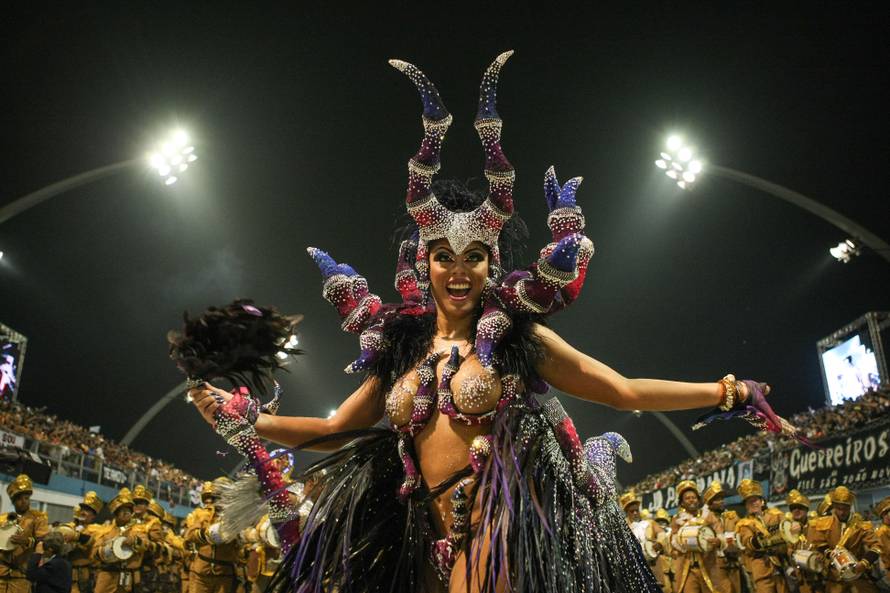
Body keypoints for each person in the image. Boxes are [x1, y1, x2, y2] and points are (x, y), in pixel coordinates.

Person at [182, 52, 800, 593]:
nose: (458, 271)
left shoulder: (516, 339)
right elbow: (332, 429)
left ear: (491, 262)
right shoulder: (402, 349)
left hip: (505, 534)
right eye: (443, 257)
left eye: (473, 258)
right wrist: (247, 419)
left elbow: (624, 391)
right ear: (423, 263)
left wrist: (728, 391)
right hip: (412, 538)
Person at [806, 486, 881, 593]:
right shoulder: (824, 524)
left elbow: (877, 546)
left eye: (845, 509)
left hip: (857, 574)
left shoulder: (861, 525)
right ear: (834, 507)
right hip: (834, 578)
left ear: (850, 507)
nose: (842, 512)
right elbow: (819, 543)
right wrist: (829, 553)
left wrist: (864, 563)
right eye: (839, 508)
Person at [184, 479, 240, 593]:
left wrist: (243, 538)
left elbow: (241, 547)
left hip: (225, 574)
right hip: (201, 572)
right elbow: (189, 535)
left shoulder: (237, 518)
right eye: (219, 496)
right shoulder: (202, 514)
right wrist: (207, 534)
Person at [91, 488, 149, 593]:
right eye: (122, 510)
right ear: (116, 513)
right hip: (106, 575)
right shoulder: (104, 530)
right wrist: (108, 550)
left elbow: (145, 544)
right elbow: (94, 553)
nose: (126, 512)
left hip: (127, 576)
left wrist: (133, 541)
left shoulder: (138, 529)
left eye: (129, 510)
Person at [735, 479, 788, 593]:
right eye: (749, 502)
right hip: (761, 569)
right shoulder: (743, 524)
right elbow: (749, 543)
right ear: (746, 506)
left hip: (782, 565)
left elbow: (788, 530)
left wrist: (794, 526)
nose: (753, 503)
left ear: (762, 502)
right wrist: (774, 539)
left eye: (755, 500)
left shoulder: (776, 515)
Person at [671, 481, 724, 593]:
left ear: (698, 500)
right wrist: (680, 544)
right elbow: (673, 542)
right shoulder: (677, 519)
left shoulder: (708, 515)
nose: (691, 500)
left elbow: (719, 533)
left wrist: (718, 541)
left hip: (708, 565)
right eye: (687, 498)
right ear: (682, 503)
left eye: (694, 497)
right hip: (687, 568)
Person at [0, 474, 49, 593]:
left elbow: (45, 542)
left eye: (26, 498)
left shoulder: (38, 518)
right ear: (13, 501)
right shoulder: (3, 519)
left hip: (21, 575)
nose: (23, 502)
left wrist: (27, 541)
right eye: (19, 498)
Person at [57, 491, 104, 593]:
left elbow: (94, 544)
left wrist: (76, 536)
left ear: (93, 516)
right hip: (64, 573)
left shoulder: (98, 530)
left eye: (88, 510)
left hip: (84, 575)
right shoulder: (70, 526)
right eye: (83, 509)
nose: (83, 512)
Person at [703, 482, 741, 593]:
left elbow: (740, 534)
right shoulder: (705, 519)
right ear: (710, 503)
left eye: (722, 498)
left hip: (734, 560)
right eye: (717, 499)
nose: (721, 501)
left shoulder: (732, 516)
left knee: (736, 589)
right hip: (715, 562)